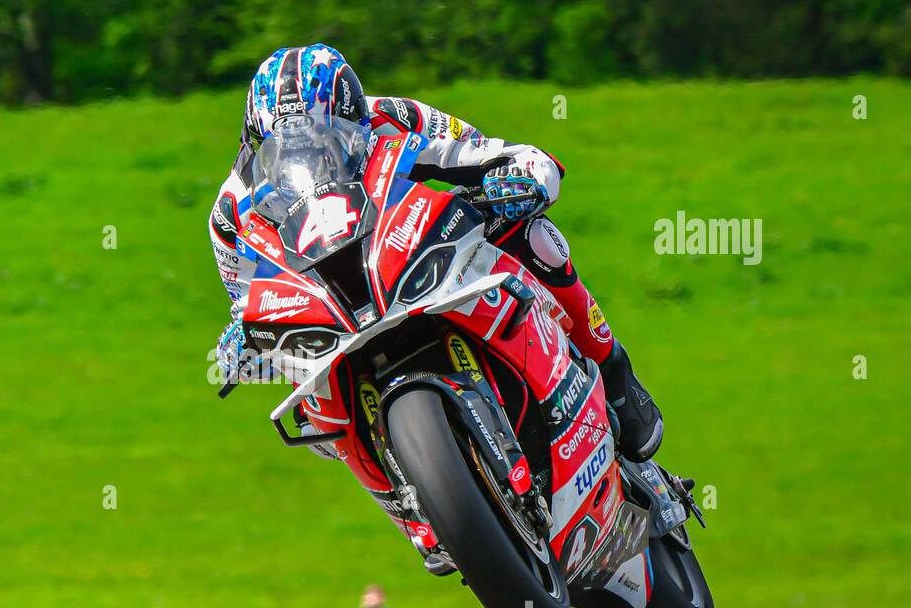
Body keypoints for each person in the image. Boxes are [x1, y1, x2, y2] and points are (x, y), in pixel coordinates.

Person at [210, 44, 663, 466]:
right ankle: (414, 511)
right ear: (257, 147)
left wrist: (522, 177)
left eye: (329, 139)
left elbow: (490, 153)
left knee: (531, 234)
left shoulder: (393, 117)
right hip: (327, 310)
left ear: (355, 118)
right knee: (310, 409)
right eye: (290, 150)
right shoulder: (231, 213)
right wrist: (242, 343)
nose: (315, 156)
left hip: (406, 251)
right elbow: (246, 304)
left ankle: (612, 368)